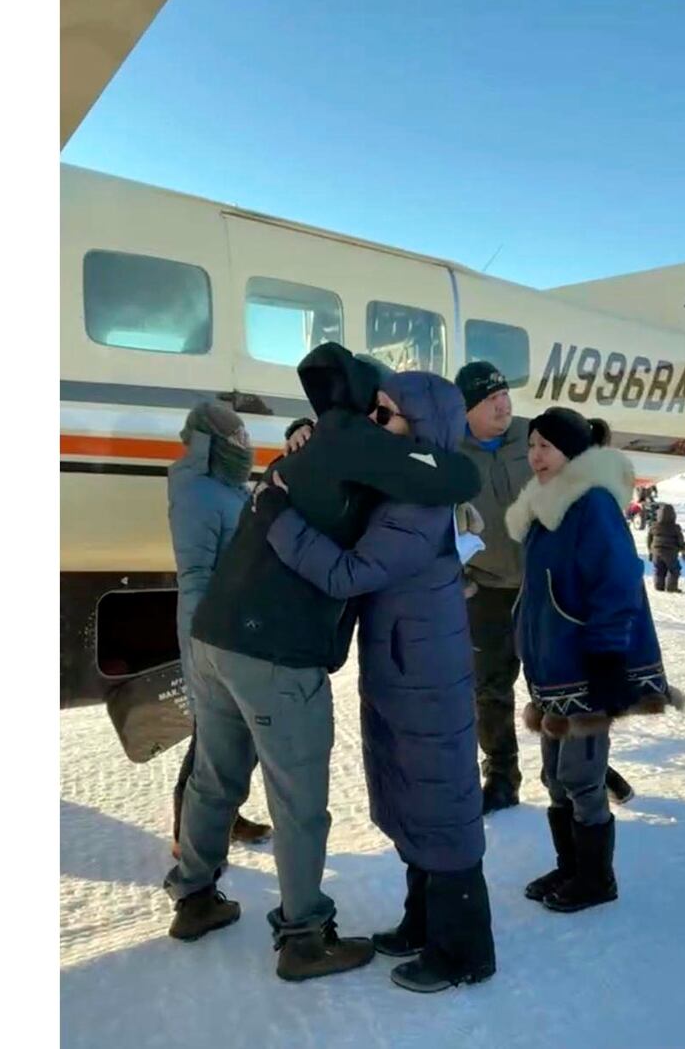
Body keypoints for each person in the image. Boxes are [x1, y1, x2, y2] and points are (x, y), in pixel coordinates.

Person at [164, 342, 480, 983]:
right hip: (273, 647)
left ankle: (194, 898)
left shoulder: (313, 443)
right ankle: (305, 936)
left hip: (217, 631)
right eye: (381, 407)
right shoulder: (362, 443)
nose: (382, 418)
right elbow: (457, 478)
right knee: (297, 799)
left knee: (215, 776)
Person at [266, 370, 496, 993]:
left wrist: (279, 518)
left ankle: (465, 951)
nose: (376, 423)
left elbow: (347, 574)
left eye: (387, 415)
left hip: (423, 673)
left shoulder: (418, 505)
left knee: (439, 803)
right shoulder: (406, 488)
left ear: (420, 427)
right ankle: (423, 922)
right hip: (405, 667)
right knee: (412, 795)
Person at [505, 407, 681, 913]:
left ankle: (597, 879)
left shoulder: (591, 505)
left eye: (546, 446)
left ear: (572, 453)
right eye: (532, 445)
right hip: (552, 671)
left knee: (582, 779)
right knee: (555, 779)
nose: (535, 456)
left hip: (585, 668)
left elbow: (618, 582)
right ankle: (571, 866)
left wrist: (607, 657)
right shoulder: (545, 506)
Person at [452, 361, 636, 812]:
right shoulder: (448, 448)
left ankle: (582, 768)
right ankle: (500, 775)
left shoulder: (534, 436)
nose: (503, 403)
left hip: (547, 589)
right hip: (489, 590)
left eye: (504, 394)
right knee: (490, 690)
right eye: (490, 398)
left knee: (560, 683)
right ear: (467, 408)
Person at [166, 402, 272, 859]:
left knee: (229, 732)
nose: (243, 448)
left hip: (237, 623)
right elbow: (196, 576)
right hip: (213, 628)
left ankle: (224, 816)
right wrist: (205, 638)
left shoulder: (223, 486)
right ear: (210, 444)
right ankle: (185, 833)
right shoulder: (197, 493)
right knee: (211, 734)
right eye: (235, 441)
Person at [646, 502, 685, 593]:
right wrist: (684, 549)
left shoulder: (654, 526)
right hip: (670, 553)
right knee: (674, 570)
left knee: (659, 570)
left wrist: (650, 551)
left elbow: (649, 540)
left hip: (656, 552)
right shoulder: (675, 528)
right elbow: (680, 541)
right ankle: (671, 587)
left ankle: (659, 586)